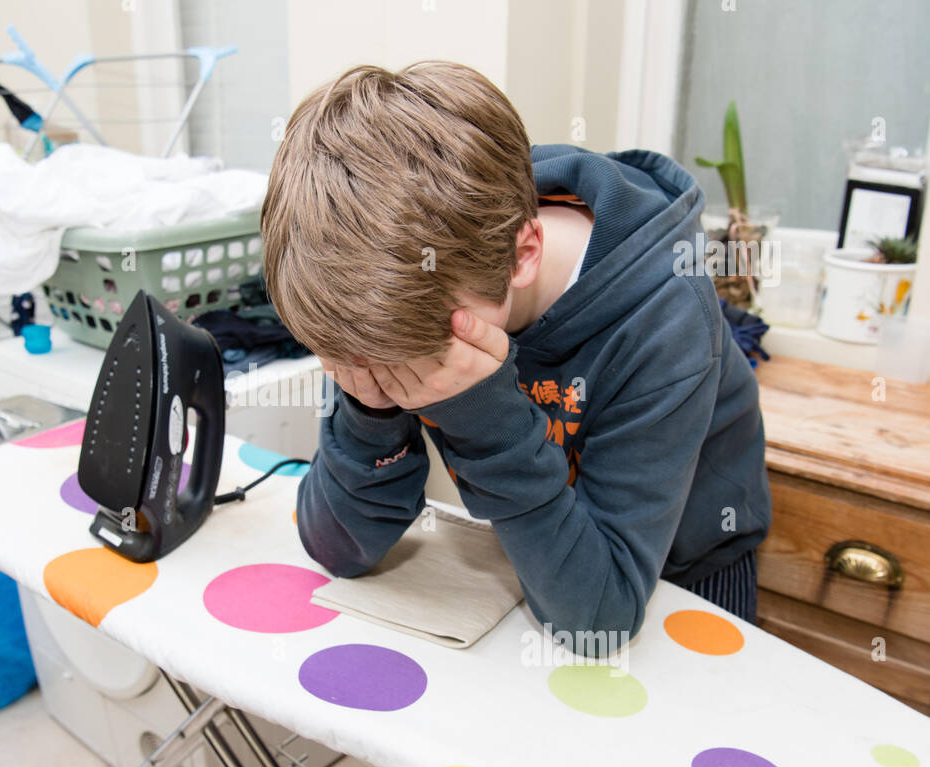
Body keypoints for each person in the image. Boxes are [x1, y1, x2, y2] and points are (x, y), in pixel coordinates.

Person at [260, 61, 771, 646]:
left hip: (689, 565)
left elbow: (597, 622)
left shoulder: (666, 323)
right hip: (542, 549)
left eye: (412, 358)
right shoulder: (389, 278)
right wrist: (368, 413)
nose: (390, 375)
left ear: (524, 252)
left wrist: (490, 421)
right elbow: (336, 550)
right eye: (365, 360)